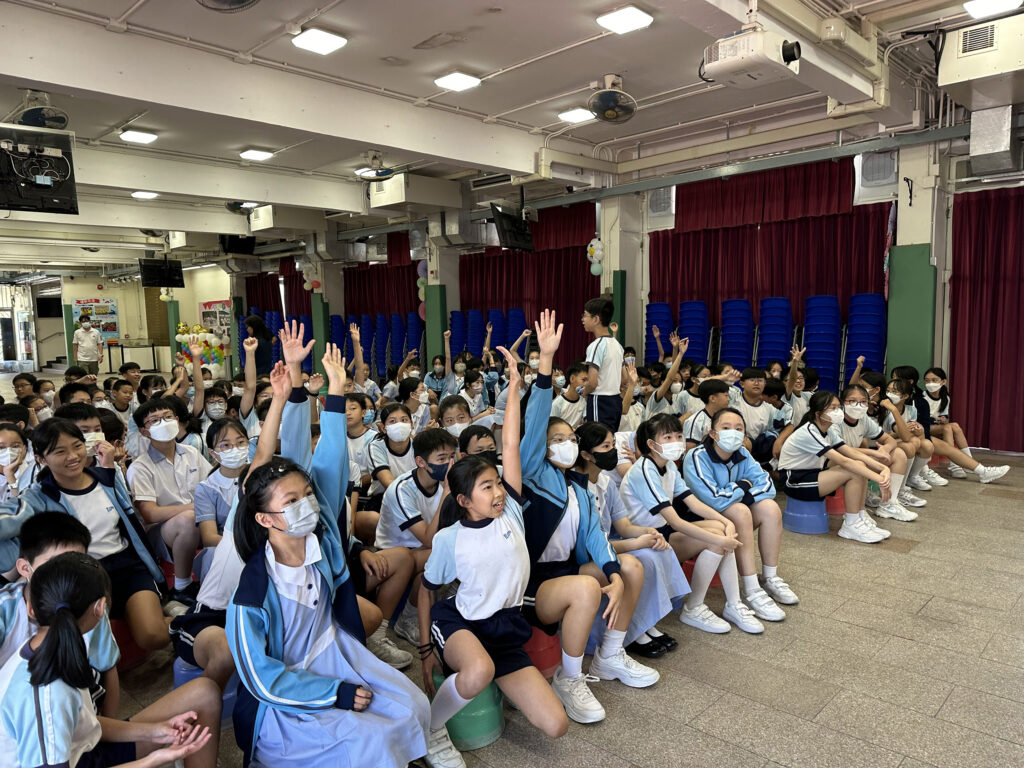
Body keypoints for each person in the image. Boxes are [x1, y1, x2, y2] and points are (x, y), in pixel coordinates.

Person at [226, 343, 448, 768]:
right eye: (292, 502)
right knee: (370, 742)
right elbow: (260, 677)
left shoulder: (321, 543)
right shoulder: (252, 593)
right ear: (265, 518)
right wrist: (334, 693)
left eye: (308, 496)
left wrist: (334, 391)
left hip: (334, 651)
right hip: (288, 693)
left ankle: (421, 743)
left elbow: (328, 459)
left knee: (414, 704)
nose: (308, 505)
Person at [418, 344, 569, 751]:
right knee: (478, 671)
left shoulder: (511, 514)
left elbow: (511, 445)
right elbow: (427, 590)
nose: (499, 492)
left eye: (498, 483)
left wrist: (517, 385)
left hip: (504, 628)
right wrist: (425, 648)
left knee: (556, 724)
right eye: (487, 487)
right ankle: (431, 730)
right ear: (463, 500)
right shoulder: (450, 538)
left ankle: (492, 680)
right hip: (461, 623)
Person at [519, 310, 657, 725]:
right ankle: (569, 677)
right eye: (556, 439)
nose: (565, 444)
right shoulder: (532, 474)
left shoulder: (578, 487)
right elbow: (534, 423)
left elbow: (596, 537)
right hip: (532, 584)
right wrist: (546, 365)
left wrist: (613, 574)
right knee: (583, 588)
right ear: (541, 448)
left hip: (568, 569)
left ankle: (609, 656)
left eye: (569, 438)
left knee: (631, 567)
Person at [0, 551, 219, 768]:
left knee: (205, 692)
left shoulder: (53, 649)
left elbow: (86, 724)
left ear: (31, 608)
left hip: (83, 752)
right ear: (100, 608)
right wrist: (152, 761)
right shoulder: (49, 693)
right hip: (73, 760)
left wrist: (156, 731)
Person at [0, 418, 170, 651]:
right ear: (40, 459)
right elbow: (7, 519)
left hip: (127, 566)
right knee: (93, 650)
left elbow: (131, 522)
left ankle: (184, 623)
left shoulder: (106, 478)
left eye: (77, 446)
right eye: (60, 451)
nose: (72, 456)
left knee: (153, 637)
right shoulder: (38, 497)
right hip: (81, 577)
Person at [620, 413, 762, 635]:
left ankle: (734, 604)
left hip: (663, 532)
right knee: (717, 541)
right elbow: (676, 521)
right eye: (667, 437)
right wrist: (720, 539)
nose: (676, 442)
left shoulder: (668, 466)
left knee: (721, 530)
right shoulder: (644, 470)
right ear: (651, 444)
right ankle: (693, 607)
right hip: (645, 540)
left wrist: (726, 522)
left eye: (678, 436)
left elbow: (692, 502)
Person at [574, 421, 688, 657]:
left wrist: (648, 533)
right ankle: (632, 631)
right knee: (639, 560)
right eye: (606, 447)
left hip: (608, 546)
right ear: (586, 454)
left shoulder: (605, 482)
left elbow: (624, 526)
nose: (613, 451)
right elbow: (590, 544)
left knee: (656, 551)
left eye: (613, 445)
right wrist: (636, 543)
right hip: (586, 556)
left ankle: (645, 622)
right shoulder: (575, 488)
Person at [0, 513, 120, 716]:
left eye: (77, 564)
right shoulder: (5, 610)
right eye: (54, 564)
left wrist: (109, 729)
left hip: (73, 713)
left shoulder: (90, 607)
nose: (67, 576)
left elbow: (107, 668)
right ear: (25, 568)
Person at [683, 408, 798, 618]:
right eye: (726, 428)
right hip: (700, 517)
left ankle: (769, 577)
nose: (733, 433)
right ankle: (751, 587)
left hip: (733, 509)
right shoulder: (697, 456)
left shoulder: (742, 454)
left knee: (770, 508)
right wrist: (742, 486)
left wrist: (740, 493)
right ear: (713, 433)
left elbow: (767, 485)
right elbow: (713, 498)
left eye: (739, 429)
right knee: (740, 511)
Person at [778, 391, 893, 544]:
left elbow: (851, 452)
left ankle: (859, 517)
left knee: (859, 465)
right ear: (818, 413)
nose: (838, 411)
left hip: (813, 474)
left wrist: (883, 469)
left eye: (839, 407)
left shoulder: (828, 430)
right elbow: (844, 461)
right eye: (832, 408)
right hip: (794, 481)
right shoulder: (809, 431)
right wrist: (880, 479)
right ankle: (851, 524)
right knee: (852, 470)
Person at [376, 429, 458, 643]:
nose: (450, 464)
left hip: (425, 549)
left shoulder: (447, 483)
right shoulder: (402, 489)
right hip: (394, 556)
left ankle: (443, 606)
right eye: (442, 458)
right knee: (446, 553)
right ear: (421, 462)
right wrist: (447, 494)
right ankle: (406, 621)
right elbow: (428, 539)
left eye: (452, 456)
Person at [128, 398, 211, 605]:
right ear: (144, 432)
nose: (163, 423)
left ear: (177, 420)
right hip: (162, 531)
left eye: (167, 417)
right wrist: (194, 508)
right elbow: (150, 514)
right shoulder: (140, 467)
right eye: (154, 421)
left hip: (199, 520)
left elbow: (211, 487)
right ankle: (182, 587)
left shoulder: (191, 453)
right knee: (187, 519)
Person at [581, 298, 624, 431]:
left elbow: (593, 383)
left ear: (596, 319)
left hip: (599, 401)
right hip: (616, 401)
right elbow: (625, 379)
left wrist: (584, 392)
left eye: (585, 315)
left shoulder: (596, 346)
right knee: (610, 439)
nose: (582, 319)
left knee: (597, 439)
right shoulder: (618, 345)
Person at [0, 423, 38, 504]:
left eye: (15, 446)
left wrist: (9, 474)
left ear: (25, 448)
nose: (9, 452)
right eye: (1, 448)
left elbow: (27, 504)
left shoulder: (34, 471)